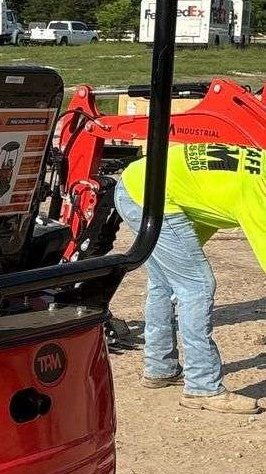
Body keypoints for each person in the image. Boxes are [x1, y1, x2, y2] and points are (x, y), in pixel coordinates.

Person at [114, 142, 266, 414]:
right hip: (150, 195)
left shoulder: (257, 168)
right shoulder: (258, 194)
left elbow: (207, 207)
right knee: (197, 285)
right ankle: (203, 388)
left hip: (138, 185)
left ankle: (160, 368)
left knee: (165, 283)